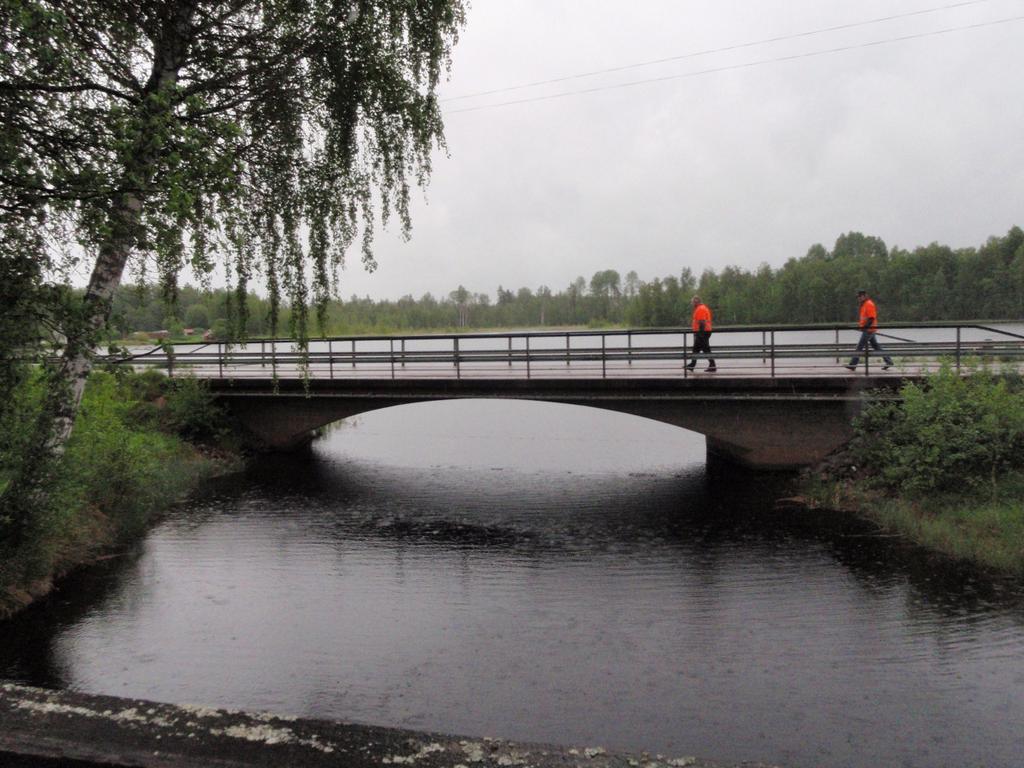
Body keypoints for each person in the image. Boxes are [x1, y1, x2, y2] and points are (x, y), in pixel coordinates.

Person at [845, 290, 893, 371]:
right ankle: (889, 361)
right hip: (869, 329)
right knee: (876, 346)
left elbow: (871, 318)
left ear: (864, 296)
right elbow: (865, 318)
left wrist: (865, 327)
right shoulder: (864, 305)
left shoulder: (869, 304)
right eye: (858, 297)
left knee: (859, 347)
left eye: (859, 297)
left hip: (868, 330)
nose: (858, 298)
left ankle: (853, 365)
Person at [686, 295, 716, 372]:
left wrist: (699, 334)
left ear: (696, 302)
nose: (692, 304)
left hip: (702, 332)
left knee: (705, 349)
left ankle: (712, 365)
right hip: (703, 332)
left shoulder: (700, 309)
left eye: (692, 302)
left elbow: (702, 322)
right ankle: (692, 365)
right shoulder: (701, 308)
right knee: (696, 349)